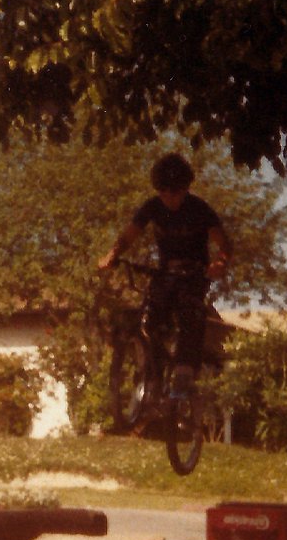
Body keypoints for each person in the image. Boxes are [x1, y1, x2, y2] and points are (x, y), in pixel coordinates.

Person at [98, 152, 232, 398]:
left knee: (190, 313)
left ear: (185, 188)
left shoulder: (199, 209)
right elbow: (129, 235)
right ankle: (154, 373)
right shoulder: (152, 207)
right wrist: (112, 254)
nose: (170, 198)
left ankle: (184, 371)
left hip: (194, 273)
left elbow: (224, 243)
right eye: (164, 192)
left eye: (175, 192)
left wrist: (220, 263)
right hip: (166, 272)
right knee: (151, 317)